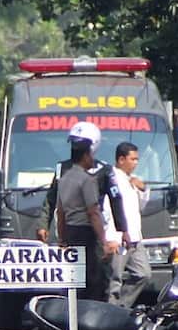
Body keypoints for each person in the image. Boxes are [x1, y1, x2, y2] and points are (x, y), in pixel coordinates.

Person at [56, 121, 113, 301]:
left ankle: (72, 312)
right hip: (87, 233)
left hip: (71, 232)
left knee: (75, 276)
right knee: (95, 279)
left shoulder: (64, 178)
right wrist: (103, 240)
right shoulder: (87, 180)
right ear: (86, 156)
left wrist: (63, 239)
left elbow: (60, 212)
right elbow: (93, 212)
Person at [100, 142, 151, 307]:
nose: (136, 163)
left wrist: (143, 189)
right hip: (118, 237)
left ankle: (121, 306)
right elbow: (106, 210)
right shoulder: (110, 178)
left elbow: (140, 207)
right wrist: (110, 237)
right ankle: (109, 312)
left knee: (143, 274)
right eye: (133, 159)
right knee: (115, 278)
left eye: (137, 159)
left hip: (135, 237)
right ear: (121, 159)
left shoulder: (133, 180)